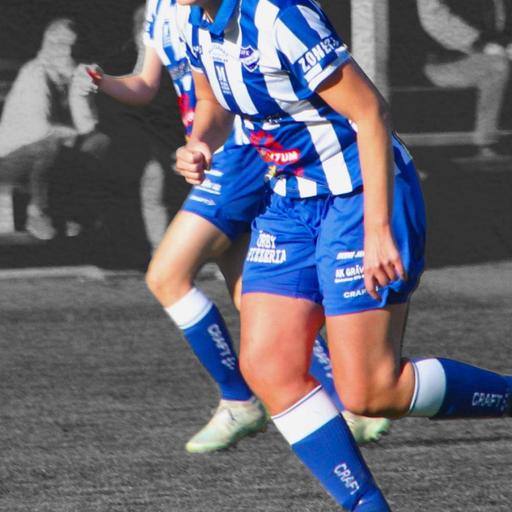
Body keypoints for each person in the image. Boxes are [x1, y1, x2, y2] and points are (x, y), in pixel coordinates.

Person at [175, 0, 512, 507]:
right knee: (268, 365)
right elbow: (212, 102)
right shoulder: (191, 20)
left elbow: (371, 112)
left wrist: (378, 229)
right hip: (289, 204)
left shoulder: (280, 16)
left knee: (372, 392)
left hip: (358, 198)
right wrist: (201, 141)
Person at [76, 0, 389, 454]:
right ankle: (349, 403)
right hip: (211, 149)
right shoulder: (161, 10)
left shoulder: (226, 9)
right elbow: (144, 86)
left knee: (166, 275)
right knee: (253, 294)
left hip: (240, 151)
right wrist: (103, 81)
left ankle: (239, 401)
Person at [0, 18, 108, 239]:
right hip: (13, 155)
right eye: (59, 44)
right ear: (47, 43)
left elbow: (87, 124)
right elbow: (35, 129)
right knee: (50, 147)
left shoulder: (74, 75)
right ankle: (37, 213)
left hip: (56, 147)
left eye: (71, 46)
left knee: (99, 142)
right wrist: (70, 135)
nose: (66, 52)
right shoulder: (33, 73)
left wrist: (79, 88)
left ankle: (73, 213)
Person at [416, 0, 511, 159]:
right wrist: (481, 44)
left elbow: (500, 22)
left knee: (497, 63)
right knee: (497, 66)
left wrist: (506, 43)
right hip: (446, 62)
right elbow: (434, 19)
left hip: (488, 54)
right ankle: (485, 144)